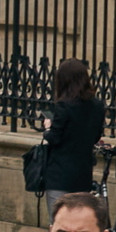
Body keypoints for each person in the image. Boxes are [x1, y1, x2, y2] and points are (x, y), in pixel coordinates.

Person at [38, 58, 104, 195]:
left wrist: (48, 128)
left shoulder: (64, 105)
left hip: (60, 174)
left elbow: (54, 138)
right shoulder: (97, 105)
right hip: (83, 174)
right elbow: (96, 135)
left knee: (59, 215)